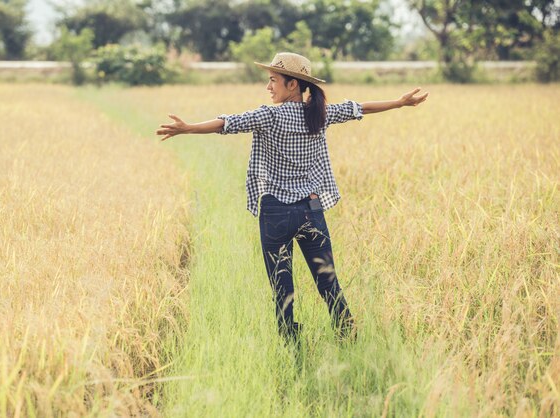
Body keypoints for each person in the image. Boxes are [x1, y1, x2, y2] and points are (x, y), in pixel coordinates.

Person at [156, 52, 428, 343]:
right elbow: (360, 108)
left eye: (273, 81)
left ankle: (291, 345)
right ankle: (347, 334)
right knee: (328, 282)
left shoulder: (270, 115)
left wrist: (188, 128)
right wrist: (399, 103)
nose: (268, 87)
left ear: (293, 85)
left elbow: (228, 123)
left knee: (282, 288)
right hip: (312, 208)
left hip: (276, 212)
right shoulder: (319, 113)